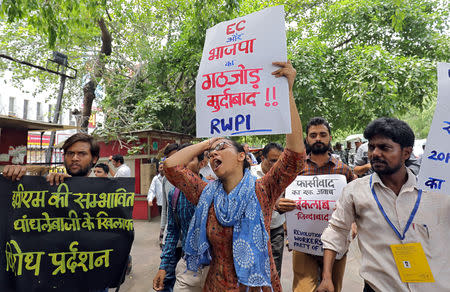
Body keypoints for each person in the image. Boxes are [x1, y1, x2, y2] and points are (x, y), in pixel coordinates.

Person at [164, 61, 305, 291]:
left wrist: (287, 92)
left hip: (257, 286)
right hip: (216, 285)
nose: (213, 154)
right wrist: (209, 141)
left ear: (242, 156)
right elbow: (170, 166)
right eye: (210, 153)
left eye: (222, 147)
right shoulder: (204, 192)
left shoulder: (263, 190)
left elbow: (295, 157)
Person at [317, 117, 450, 292]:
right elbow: (336, 230)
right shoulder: (355, 192)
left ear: (406, 153)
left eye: (385, 148)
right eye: (372, 147)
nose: (375, 154)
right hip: (378, 287)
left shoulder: (437, 192)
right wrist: (326, 277)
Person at [2, 133, 112, 292]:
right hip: (49, 279)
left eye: (81, 154)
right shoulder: (47, 187)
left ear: (94, 159)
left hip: (91, 282)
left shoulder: (107, 195)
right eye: (70, 153)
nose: (75, 158)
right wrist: (13, 176)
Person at [278, 117, 354, 292]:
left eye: (322, 134)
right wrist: (278, 203)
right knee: (302, 288)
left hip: (336, 242)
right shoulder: (295, 169)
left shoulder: (343, 170)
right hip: (303, 241)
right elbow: (277, 194)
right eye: (313, 135)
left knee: (333, 286)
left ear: (330, 137)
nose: (318, 138)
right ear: (307, 139)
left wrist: (355, 223)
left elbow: (356, 201)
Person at [153, 143, 209, 292]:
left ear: (202, 163)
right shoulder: (174, 194)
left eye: (189, 159)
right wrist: (163, 267)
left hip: (214, 267)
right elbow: (172, 231)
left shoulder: (214, 191)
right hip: (187, 266)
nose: (183, 163)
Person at [250, 142, 286, 279]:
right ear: (262, 158)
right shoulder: (249, 174)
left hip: (276, 229)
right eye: (272, 161)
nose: (276, 164)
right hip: (254, 230)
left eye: (279, 161)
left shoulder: (284, 175)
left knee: (274, 272)